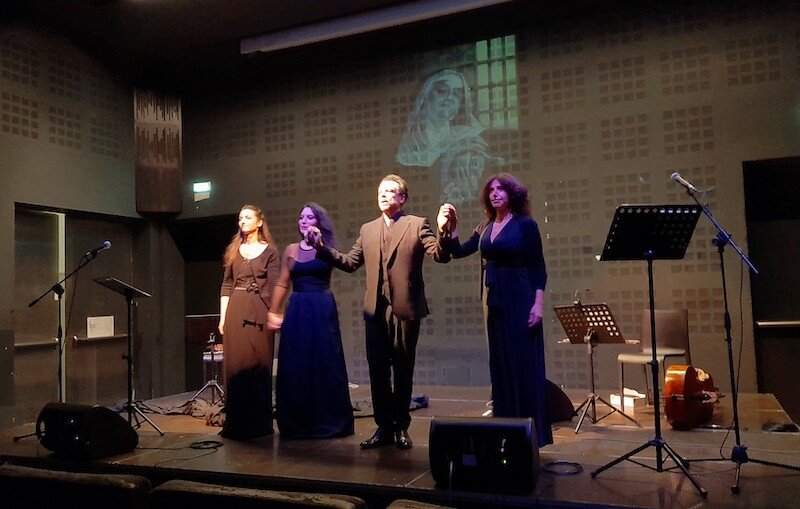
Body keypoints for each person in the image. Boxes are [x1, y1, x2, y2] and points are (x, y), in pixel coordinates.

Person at [309, 174, 450, 450]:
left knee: (403, 369)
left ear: (402, 198)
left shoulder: (416, 224)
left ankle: (400, 427)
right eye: (380, 191)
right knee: (377, 371)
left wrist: (444, 232)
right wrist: (321, 249)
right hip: (375, 310)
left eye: (390, 191)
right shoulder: (368, 229)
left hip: (405, 310)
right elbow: (350, 262)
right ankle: (383, 427)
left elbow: (439, 254)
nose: (383, 195)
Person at [439, 173, 553, 446]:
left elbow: (538, 267)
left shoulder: (526, 225)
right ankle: (507, 427)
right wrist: (449, 227)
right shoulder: (486, 225)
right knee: (501, 363)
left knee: (522, 363)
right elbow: (459, 250)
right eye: (491, 190)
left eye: (500, 189)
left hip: (521, 296)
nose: (495, 193)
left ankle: (531, 432)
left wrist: (538, 304)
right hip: (496, 299)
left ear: (512, 193)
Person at [266, 203, 354, 439]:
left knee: (325, 362)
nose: (304, 221)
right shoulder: (291, 249)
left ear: (319, 222)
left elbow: (343, 263)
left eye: (310, 217)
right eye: (301, 217)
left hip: (321, 307)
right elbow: (283, 283)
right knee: (296, 363)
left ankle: (329, 421)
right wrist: (274, 311)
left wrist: (320, 245)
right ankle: (297, 422)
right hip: (298, 309)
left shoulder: (326, 247)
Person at [395, 69, 504, 205]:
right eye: (442, 91)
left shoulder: (471, 138)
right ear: (427, 95)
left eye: (457, 94)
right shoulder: (409, 146)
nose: (450, 98)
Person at [218, 205, 280, 440]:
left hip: (260, 309)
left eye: (247, 217)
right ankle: (237, 423)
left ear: (259, 222)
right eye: (240, 218)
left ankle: (259, 424)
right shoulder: (234, 250)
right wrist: (223, 317)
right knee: (236, 366)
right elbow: (226, 285)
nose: (242, 221)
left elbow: (274, 286)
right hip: (236, 309)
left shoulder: (270, 251)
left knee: (259, 363)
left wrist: (273, 313)